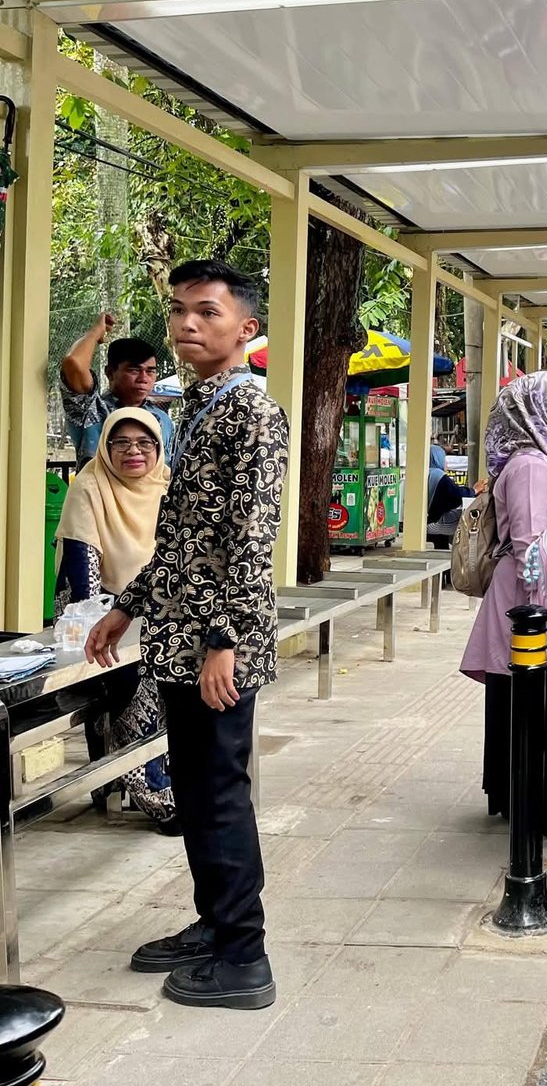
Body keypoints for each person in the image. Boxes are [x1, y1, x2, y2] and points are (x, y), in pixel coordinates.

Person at [85, 259, 288, 1010]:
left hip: (215, 645)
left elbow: (249, 538)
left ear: (246, 329)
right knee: (197, 793)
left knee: (220, 793)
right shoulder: (199, 407)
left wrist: (224, 641)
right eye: (178, 310)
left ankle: (244, 957)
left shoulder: (253, 415)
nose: (186, 325)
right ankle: (215, 922)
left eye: (206, 311)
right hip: (176, 635)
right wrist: (127, 605)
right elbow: (181, 536)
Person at [460, 373, 547, 844]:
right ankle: (546, 809)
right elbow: (530, 547)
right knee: (544, 705)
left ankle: (527, 799)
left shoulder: (546, 460)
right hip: (534, 606)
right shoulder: (531, 467)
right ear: (540, 412)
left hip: (546, 601)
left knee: (537, 704)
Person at [55, 409, 178, 833]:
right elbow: (81, 573)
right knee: (133, 673)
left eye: (144, 443)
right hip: (99, 613)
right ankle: (151, 789)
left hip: (157, 609)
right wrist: (115, 620)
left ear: (159, 448)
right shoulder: (90, 486)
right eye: (120, 443)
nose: (133, 452)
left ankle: (148, 773)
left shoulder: (167, 486)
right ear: (105, 448)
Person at [59, 313, 174, 468]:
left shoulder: (163, 419)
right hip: (98, 492)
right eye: (134, 370)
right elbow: (74, 364)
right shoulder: (92, 410)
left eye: (150, 371)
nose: (143, 378)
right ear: (110, 373)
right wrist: (95, 333)